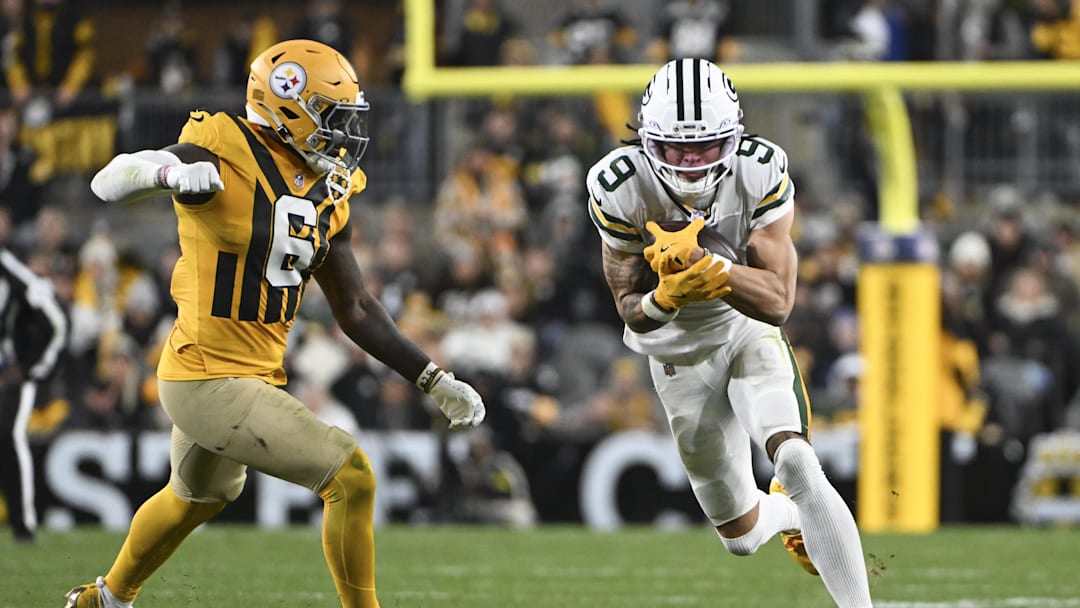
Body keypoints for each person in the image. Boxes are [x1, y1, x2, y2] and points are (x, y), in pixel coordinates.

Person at [67, 39, 485, 608]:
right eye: (333, 119)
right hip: (207, 375)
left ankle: (104, 600)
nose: (344, 136)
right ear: (289, 107)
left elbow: (355, 306)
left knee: (196, 496)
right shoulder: (225, 149)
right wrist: (167, 171)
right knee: (351, 476)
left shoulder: (323, 188)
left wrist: (433, 377)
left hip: (248, 376)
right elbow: (109, 179)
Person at [585, 58, 872, 607]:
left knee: (795, 458)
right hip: (676, 354)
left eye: (705, 148)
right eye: (675, 150)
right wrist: (665, 297)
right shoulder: (618, 185)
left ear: (734, 137)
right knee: (740, 538)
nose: (691, 163)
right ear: (647, 141)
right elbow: (628, 307)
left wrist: (712, 270)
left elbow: (779, 302)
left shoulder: (760, 169)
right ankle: (790, 513)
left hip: (745, 329)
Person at [0, 206, 67, 544]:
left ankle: (22, 526)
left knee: (7, 442)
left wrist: (27, 368)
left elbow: (53, 322)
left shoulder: (16, 275)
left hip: (6, 377)